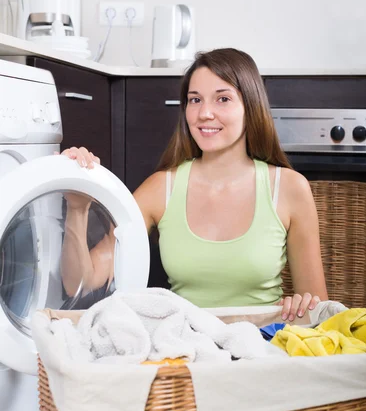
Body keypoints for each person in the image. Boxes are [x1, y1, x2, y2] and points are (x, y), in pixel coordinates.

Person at [60, 48, 328, 321]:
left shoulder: (290, 188)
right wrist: (77, 206)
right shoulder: (160, 189)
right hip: (184, 350)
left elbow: (318, 311)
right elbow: (82, 280)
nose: (205, 113)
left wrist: (302, 303)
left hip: (260, 349)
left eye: (222, 99)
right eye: (195, 100)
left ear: (250, 106)